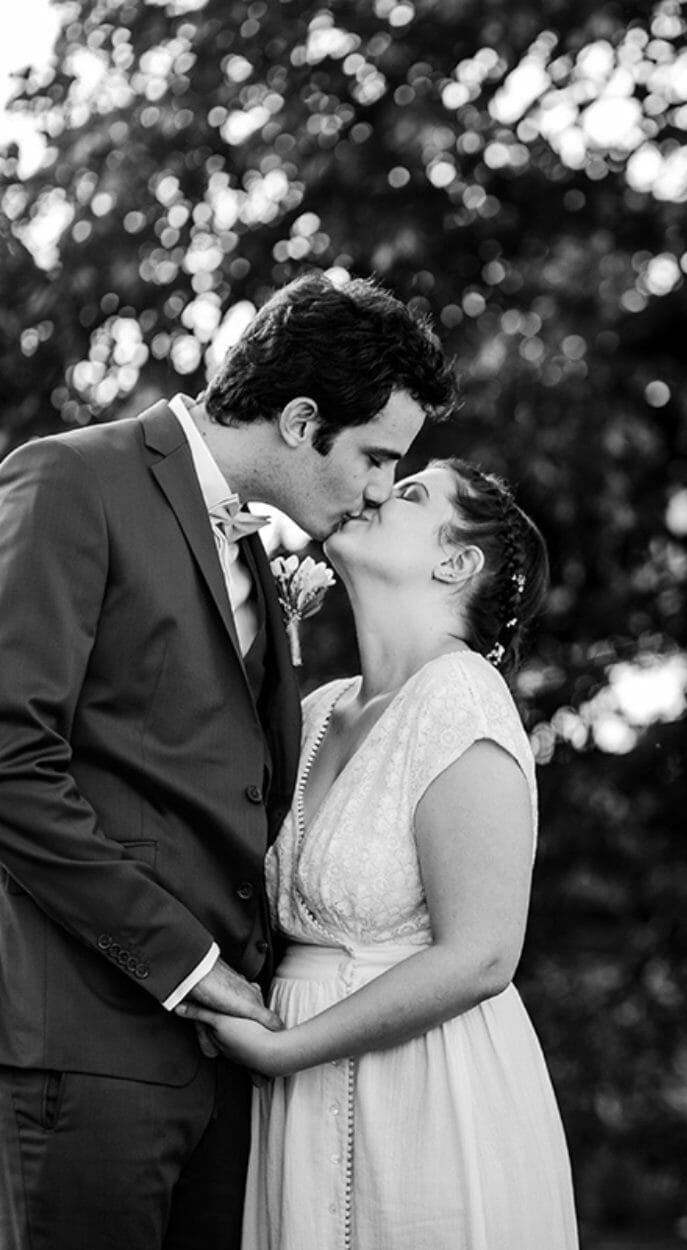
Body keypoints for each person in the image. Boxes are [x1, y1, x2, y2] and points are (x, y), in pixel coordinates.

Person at [0, 272, 457, 1250]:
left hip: (219, 1067)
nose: (380, 488)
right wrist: (190, 965)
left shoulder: (250, 547)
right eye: (378, 456)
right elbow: (9, 760)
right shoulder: (74, 480)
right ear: (301, 419)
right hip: (85, 1051)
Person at [181, 459, 578, 1249]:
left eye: (410, 494)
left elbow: (482, 956)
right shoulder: (321, 709)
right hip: (291, 1100)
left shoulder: (460, 697)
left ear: (455, 561)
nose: (373, 492)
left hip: (422, 1097)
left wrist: (287, 1048)